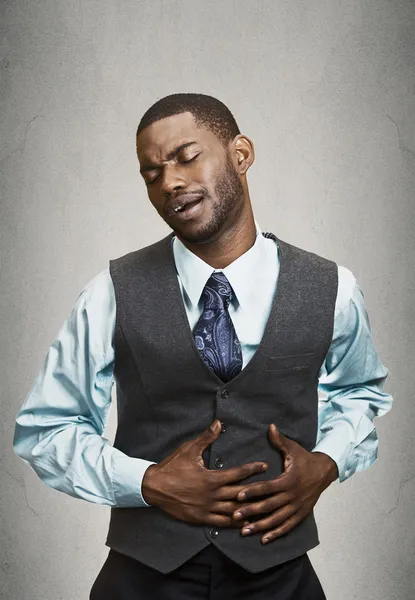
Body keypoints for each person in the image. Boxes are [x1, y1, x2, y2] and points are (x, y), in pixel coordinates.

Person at [13, 93, 393, 599]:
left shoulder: (331, 287)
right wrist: (146, 482)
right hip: (142, 580)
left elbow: (361, 393)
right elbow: (45, 427)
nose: (169, 181)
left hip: (280, 578)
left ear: (241, 154)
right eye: (151, 174)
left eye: (187, 157)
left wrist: (327, 463)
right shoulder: (111, 291)